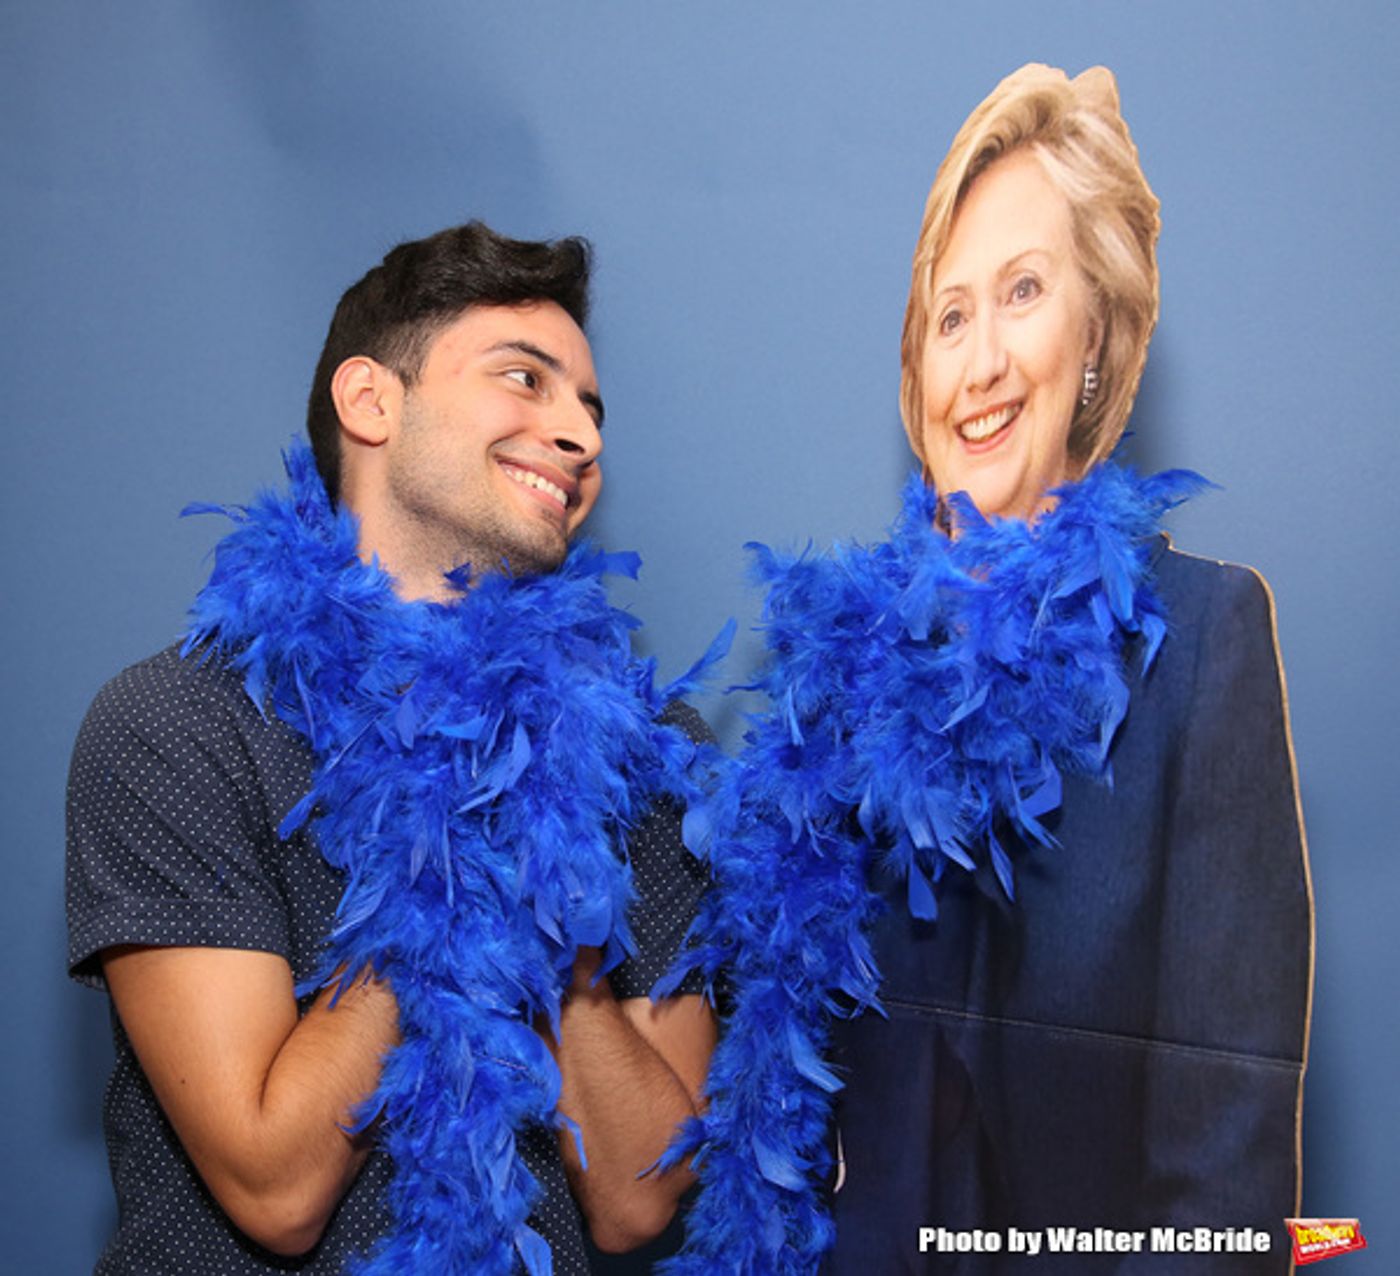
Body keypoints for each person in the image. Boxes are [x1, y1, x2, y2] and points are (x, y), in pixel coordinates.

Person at [661, 66, 1311, 1273]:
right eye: (948, 315)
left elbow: (1223, 1182)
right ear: (915, 375)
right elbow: (774, 1129)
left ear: (1095, 341)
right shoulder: (830, 689)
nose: (983, 357)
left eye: (1023, 292)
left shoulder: (1201, 638)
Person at [66, 221, 717, 1275]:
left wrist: (551, 872)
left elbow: (638, 1201)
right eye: (525, 379)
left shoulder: (653, 761)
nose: (579, 435)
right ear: (370, 401)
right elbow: (275, 1189)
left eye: (590, 411)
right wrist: (450, 832)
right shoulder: (176, 729)